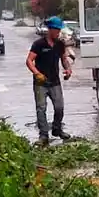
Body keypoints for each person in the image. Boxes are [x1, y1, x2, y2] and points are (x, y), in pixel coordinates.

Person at [27, 16, 72, 144]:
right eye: (57, 30)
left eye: (59, 30)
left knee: (59, 107)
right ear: (50, 29)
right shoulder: (39, 44)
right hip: (41, 83)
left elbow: (64, 59)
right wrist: (37, 73)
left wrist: (68, 69)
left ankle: (57, 129)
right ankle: (43, 135)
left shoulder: (60, 44)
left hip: (55, 82)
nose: (58, 32)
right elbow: (29, 60)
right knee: (41, 109)